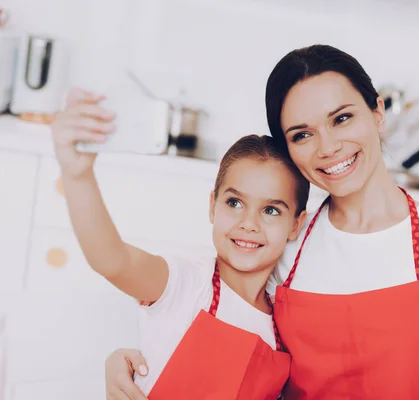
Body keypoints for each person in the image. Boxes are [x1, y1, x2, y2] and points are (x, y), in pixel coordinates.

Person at [105, 44, 419, 400]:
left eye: (342, 118)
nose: (329, 147)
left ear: (378, 112)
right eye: (301, 135)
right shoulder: (284, 241)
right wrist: (133, 366)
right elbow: (200, 320)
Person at [50, 94, 309, 400]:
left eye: (271, 210)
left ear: (296, 224)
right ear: (213, 206)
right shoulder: (185, 282)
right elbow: (113, 261)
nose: (248, 223)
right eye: (234, 202)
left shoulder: (284, 328)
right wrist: (78, 175)